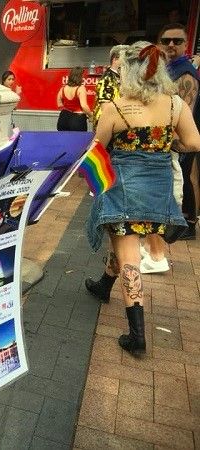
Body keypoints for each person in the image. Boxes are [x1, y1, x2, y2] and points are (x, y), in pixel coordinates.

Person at [84, 42, 200, 356]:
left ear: (128, 72)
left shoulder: (115, 107)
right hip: (157, 193)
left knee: (129, 258)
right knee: (126, 243)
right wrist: (168, 144)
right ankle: (102, 287)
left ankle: (137, 336)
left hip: (123, 191)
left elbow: (98, 148)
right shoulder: (175, 104)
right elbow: (193, 142)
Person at [159, 23, 199, 241]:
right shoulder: (169, 68)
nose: (171, 45)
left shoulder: (185, 73)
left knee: (188, 177)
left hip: (183, 137)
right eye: (166, 41)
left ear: (186, 44)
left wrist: (172, 140)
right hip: (173, 136)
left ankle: (188, 224)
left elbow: (186, 112)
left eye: (177, 41)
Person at [92, 45, 127, 129]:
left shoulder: (119, 77)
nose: (127, 62)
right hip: (106, 126)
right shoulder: (107, 78)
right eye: (125, 59)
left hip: (114, 123)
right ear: (115, 59)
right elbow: (105, 108)